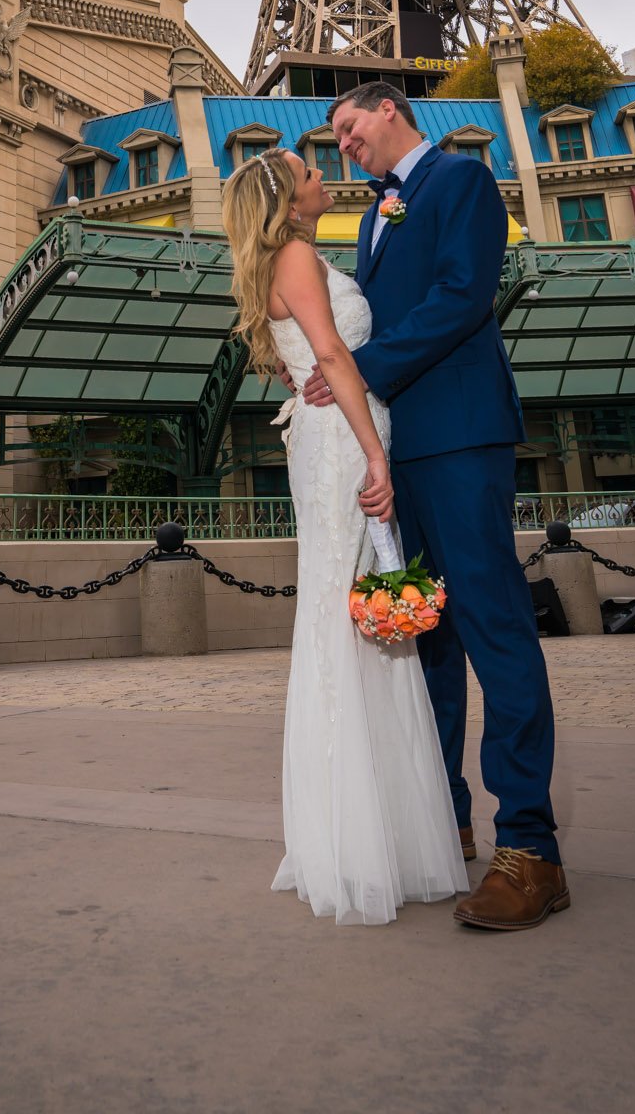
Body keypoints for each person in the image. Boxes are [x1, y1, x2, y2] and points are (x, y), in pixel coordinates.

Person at [300, 81, 569, 931]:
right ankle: (443, 818)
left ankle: (531, 847)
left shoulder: (458, 180)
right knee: (427, 635)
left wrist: (358, 371)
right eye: (334, 138)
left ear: (389, 110)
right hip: (395, 448)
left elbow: (462, 297)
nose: (343, 145)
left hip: (457, 434)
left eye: (348, 127)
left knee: (492, 625)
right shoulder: (376, 213)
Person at [222, 145, 467, 925]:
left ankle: (367, 831)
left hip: (328, 434)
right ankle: (361, 836)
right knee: (350, 622)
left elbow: (324, 358)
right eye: (310, 171)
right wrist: (373, 454)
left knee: (355, 621)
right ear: (288, 199)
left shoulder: (287, 258)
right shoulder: (295, 254)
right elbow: (330, 353)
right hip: (341, 445)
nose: (325, 175)